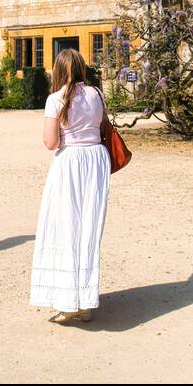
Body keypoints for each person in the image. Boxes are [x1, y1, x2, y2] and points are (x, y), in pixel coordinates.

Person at [29, 48, 111, 324]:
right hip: (96, 161)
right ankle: (85, 302)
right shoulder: (97, 94)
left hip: (71, 163)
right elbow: (102, 130)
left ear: (58, 70)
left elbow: (51, 142)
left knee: (64, 228)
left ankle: (68, 302)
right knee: (88, 229)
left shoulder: (56, 99)